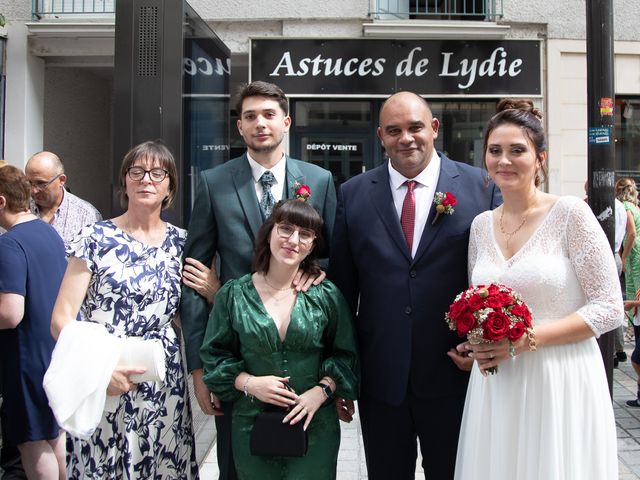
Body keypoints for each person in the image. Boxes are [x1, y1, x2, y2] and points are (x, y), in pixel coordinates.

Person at [328, 91, 501, 479]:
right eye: (394, 130)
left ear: (434, 129)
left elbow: (494, 279)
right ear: (381, 136)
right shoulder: (353, 194)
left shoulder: (481, 188)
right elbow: (342, 291)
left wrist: (481, 343)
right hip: (381, 378)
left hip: (453, 372)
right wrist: (341, 373)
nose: (406, 138)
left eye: (415, 127)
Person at [454, 99, 622, 479]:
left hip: (559, 376)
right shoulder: (481, 226)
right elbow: (477, 301)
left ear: (540, 157)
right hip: (498, 382)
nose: (504, 161)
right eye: (495, 151)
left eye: (518, 150)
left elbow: (609, 306)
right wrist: (475, 341)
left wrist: (527, 339)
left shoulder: (570, 215)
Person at [181, 80, 337, 480]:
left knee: (307, 462)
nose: (259, 123)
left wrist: (334, 382)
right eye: (250, 116)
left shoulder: (318, 181)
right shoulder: (214, 183)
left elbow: (331, 260)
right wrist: (199, 371)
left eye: (269, 114)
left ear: (286, 122)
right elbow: (195, 279)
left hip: (303, 352)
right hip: (237, 354)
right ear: (240, 127)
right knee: (237, 465)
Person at [50, 141, 199, 478]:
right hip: (102, 376)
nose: (147, 179)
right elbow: (61, 319)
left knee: (162, 462)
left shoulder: (182, 243)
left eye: (157, 173)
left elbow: (185, 313)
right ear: (125, 182)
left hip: (163, 381)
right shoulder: (94, 238)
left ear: (170, 186)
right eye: (137, 171)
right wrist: (101, 370)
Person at [200, 199, 359, 479]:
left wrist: (321, 392)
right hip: (251, 426)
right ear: (269, 232)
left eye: (305, 234)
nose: (293, 240)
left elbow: (346, 354)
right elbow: (214, 357)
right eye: (285, 229)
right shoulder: (233, 295)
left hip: (315, 426)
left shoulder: (326, 296)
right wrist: (249, 383)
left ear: (312, 245)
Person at [0, 165, 67, 479]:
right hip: (53, 352)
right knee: (54, 436)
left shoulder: (10, 243)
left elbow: (10, 313)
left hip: (24, 358)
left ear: (2, 202)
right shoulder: (47, 232)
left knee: (31, 442)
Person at [25, 151, 102, 246]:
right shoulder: (17, 208)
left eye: (41, 183)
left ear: (61, 180)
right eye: (29, 183)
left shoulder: (86, 215)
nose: (34, 190)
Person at [616, 177, 640, 405]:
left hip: (635, 254)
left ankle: (635, 327)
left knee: (634, 291)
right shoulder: (635, 205)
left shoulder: (624, 207)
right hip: (635, 253)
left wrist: (623, 256)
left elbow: (631, 232)